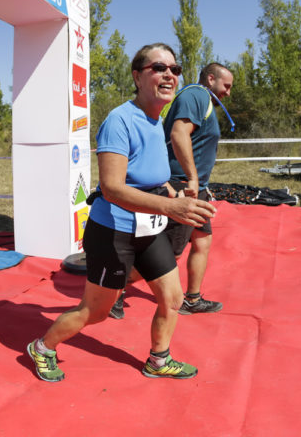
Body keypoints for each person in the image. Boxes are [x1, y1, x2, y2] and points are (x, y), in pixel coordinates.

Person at [27, 43, 216, 382]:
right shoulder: (119, 120)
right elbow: (112, 188)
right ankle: (42, 346)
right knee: (95, 312)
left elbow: (150, 178)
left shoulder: (156, 121)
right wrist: (172, 206)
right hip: (113, 233)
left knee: (172, 298)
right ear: (137, 75)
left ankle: (158, 360)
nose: (169, 75)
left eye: (175, 69)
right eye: (159, 68)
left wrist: (176, 190)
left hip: (148, 231)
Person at [162, 62, 234, 314]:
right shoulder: (196, 95)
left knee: (202, 241)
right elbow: (178, 133)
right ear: (211, 79)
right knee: (169, 252)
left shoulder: (203, 101)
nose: (228, 92)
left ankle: (192, 299)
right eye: (226, 86)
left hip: (197, 187)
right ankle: (115, 289)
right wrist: (192, 178)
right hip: (182, 185)